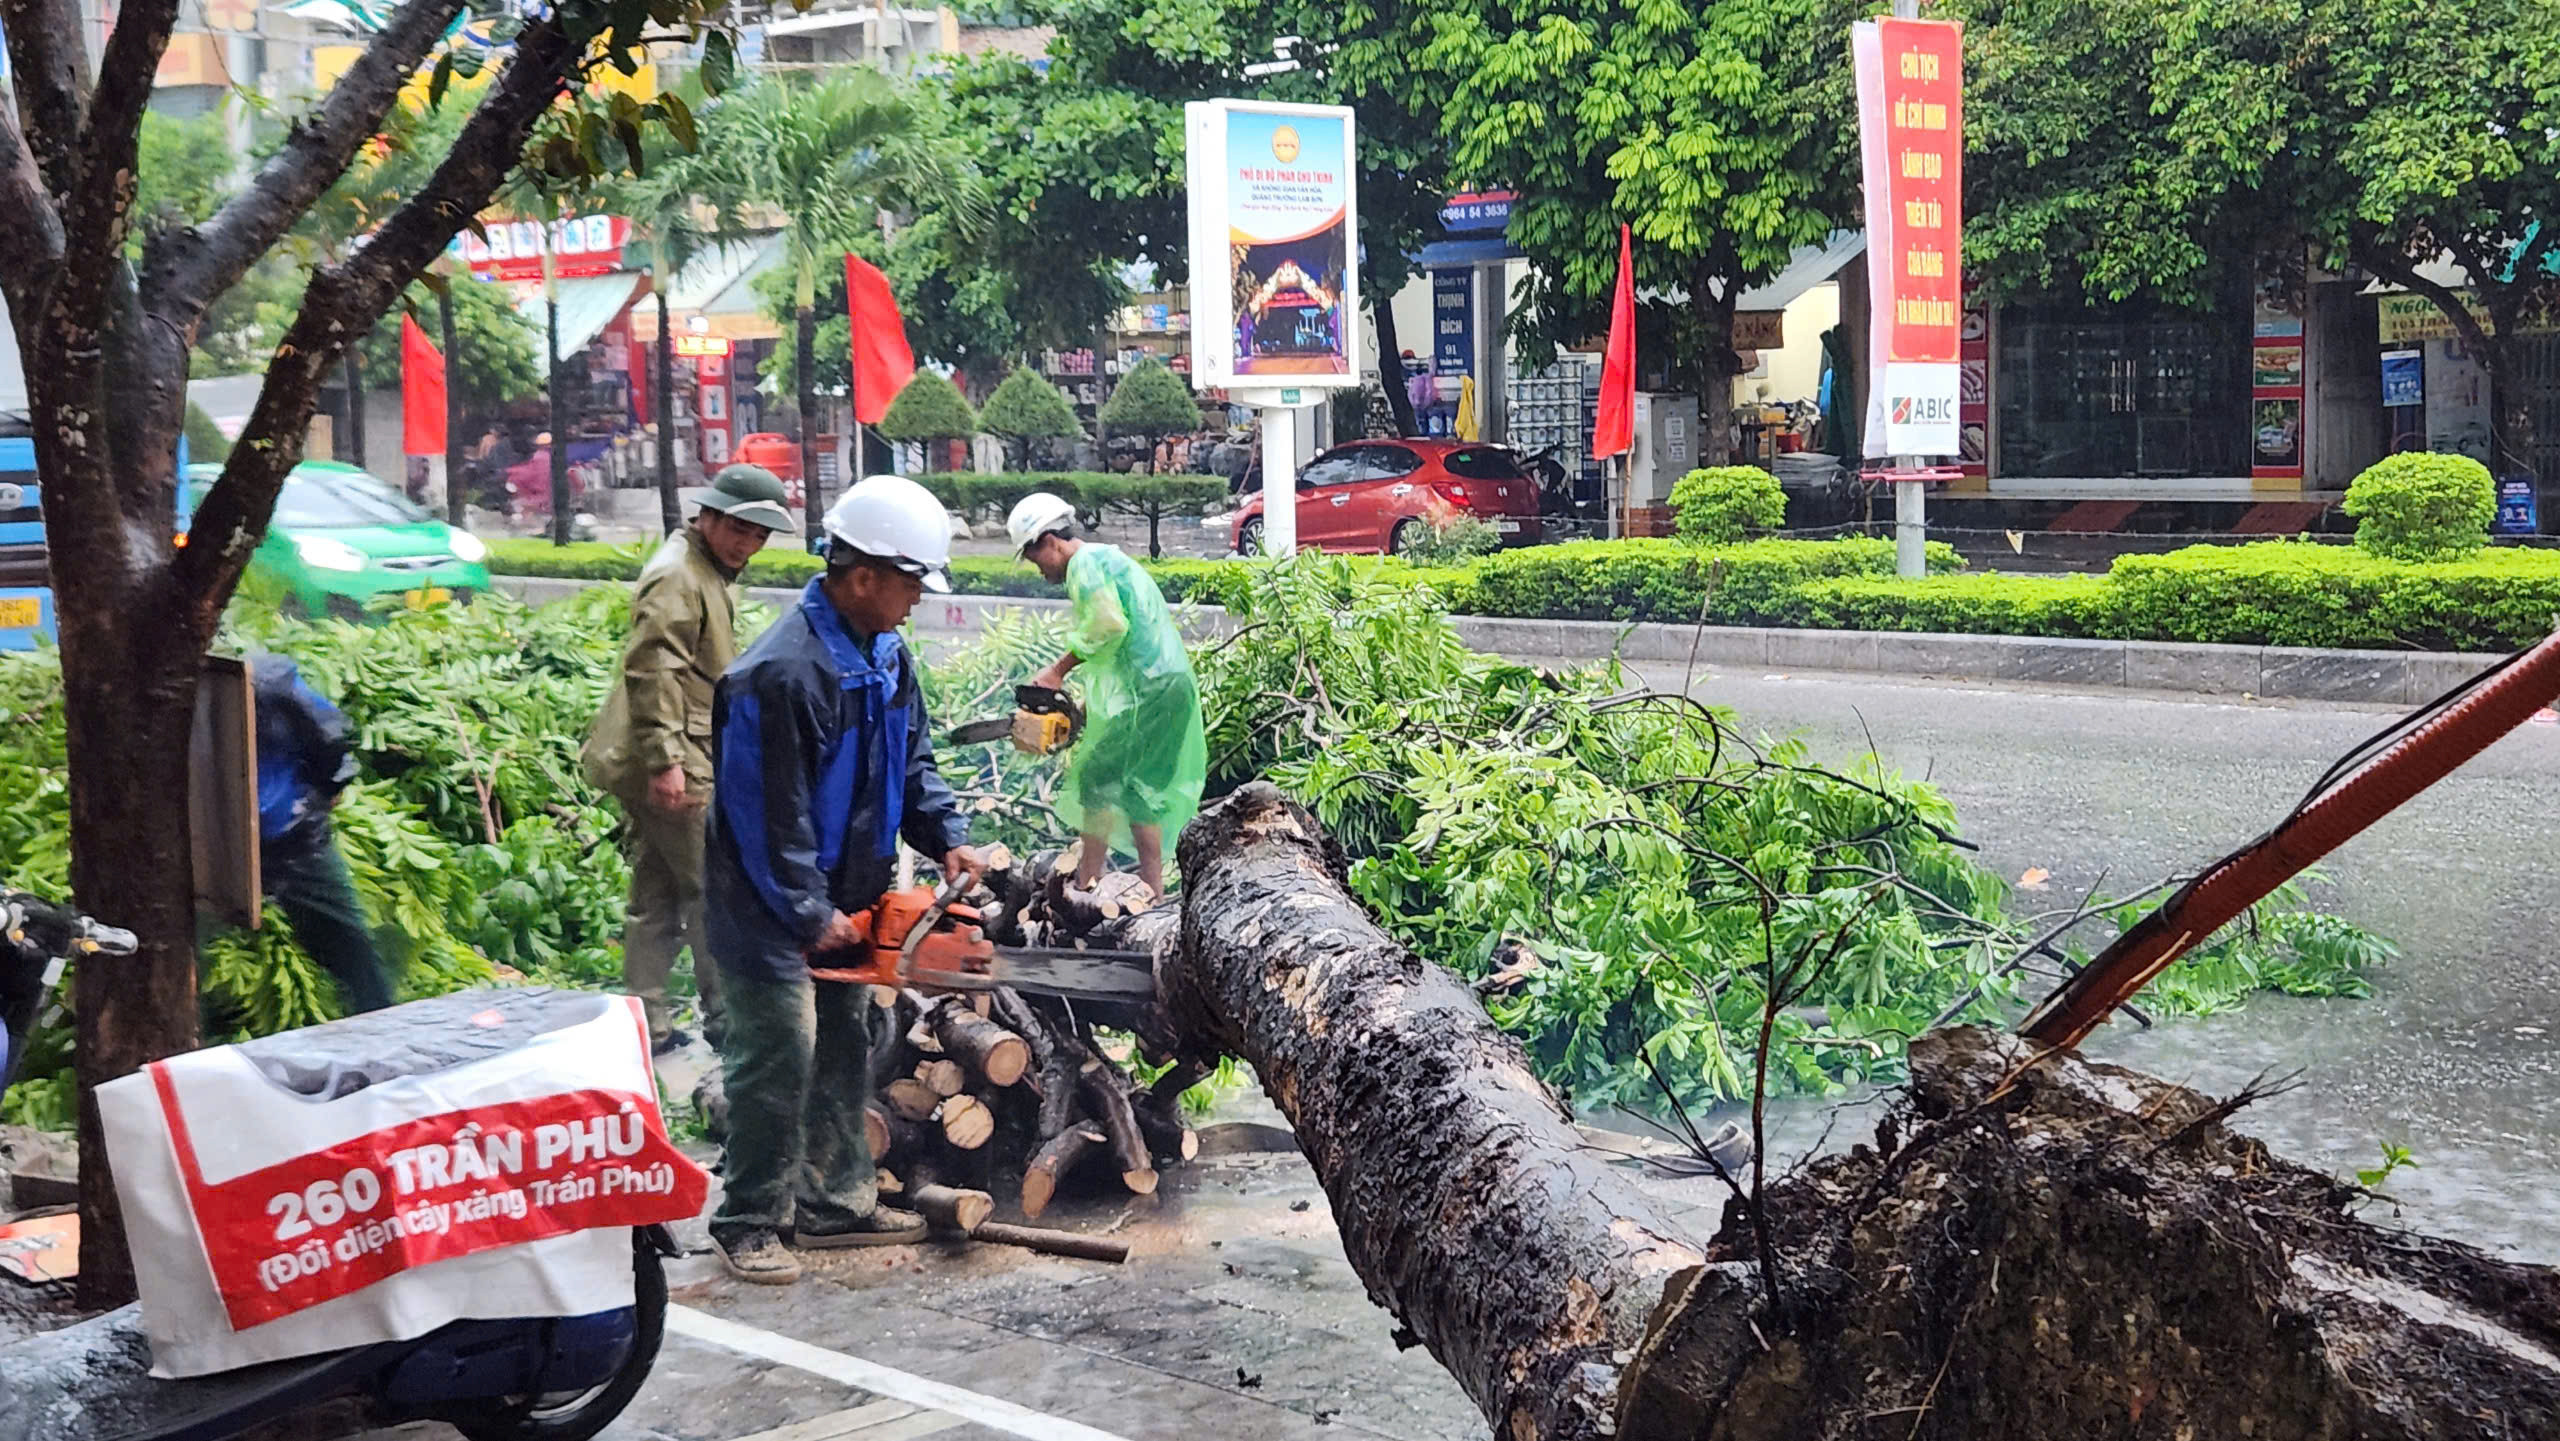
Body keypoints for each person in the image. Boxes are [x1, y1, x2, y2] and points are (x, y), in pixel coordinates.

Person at [705, 474, 985, 1284]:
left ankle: (836, 1202)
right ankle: (750, 1215)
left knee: (843, 1046)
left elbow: (913, 764)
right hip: (765, 903)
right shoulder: (779, 674)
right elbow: (764, 813)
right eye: (909, 584)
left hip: (850, 894)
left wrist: (948, 838)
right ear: (861, 574)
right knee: (778, 1055)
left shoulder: (886, 656)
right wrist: (804, 907)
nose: (916, 602)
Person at [581, 464, 793, 1054]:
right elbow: (652, 670)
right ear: (712, 518)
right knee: (714, 888)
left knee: (658, 893)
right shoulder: (678, 576)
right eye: (742, 532)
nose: (749, 546)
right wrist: (666, 762)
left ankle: (646, 1024)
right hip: (672, 756)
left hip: (674, 749)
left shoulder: (700, 567)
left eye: (759, 536)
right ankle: (730, 1020)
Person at [1005, 492, 1207, 896]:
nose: (1038, 569)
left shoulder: (1085, 565)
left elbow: (1108, 625)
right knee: (1136, 787)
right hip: (1163, 686)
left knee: (1096, 779)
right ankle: (1151, 889)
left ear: (1050, 541)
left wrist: (1056, 672)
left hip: (1148, 690)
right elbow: (1123, 646)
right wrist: (1084, 710)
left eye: (1034, 557)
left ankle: (1086, 885)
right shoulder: (1104, 558)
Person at [250, 655, 393, 1015]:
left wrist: (329, 788)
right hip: (231, 843)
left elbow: (330, 738)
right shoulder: (204, 686)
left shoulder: (270, 686)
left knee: (348, 945)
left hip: (292, 839)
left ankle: (377, 1024)